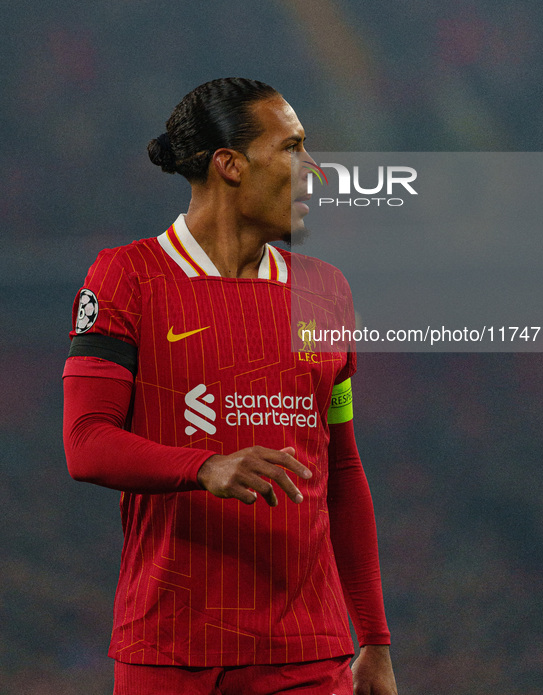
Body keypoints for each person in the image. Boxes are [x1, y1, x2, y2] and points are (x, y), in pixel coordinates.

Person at [63, 77, 398, 695]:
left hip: (306, 654)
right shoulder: (126, 277)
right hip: (168, 647)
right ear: (230, 165)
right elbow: (86, 442)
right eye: (293, 148)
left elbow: (343, 471)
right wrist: (205, 466)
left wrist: (374, 640)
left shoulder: (325, 293)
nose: (314, 172)